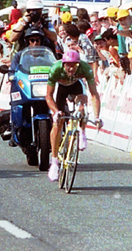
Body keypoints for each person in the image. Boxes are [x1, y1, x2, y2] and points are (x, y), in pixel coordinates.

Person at [45, 50, 101, 182]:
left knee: (82, 105)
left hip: (76, 86)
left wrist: (97, 116)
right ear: (63, 64)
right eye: (68, 65)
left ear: (78, 64)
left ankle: (82, 131)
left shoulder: (85, 68)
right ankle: (54, 163)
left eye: (74, 65)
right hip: (61, 89)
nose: (71, 69)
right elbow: (48, 95)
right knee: (57, 123)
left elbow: (94, 94)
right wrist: (55, 111)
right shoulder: (55, 69)